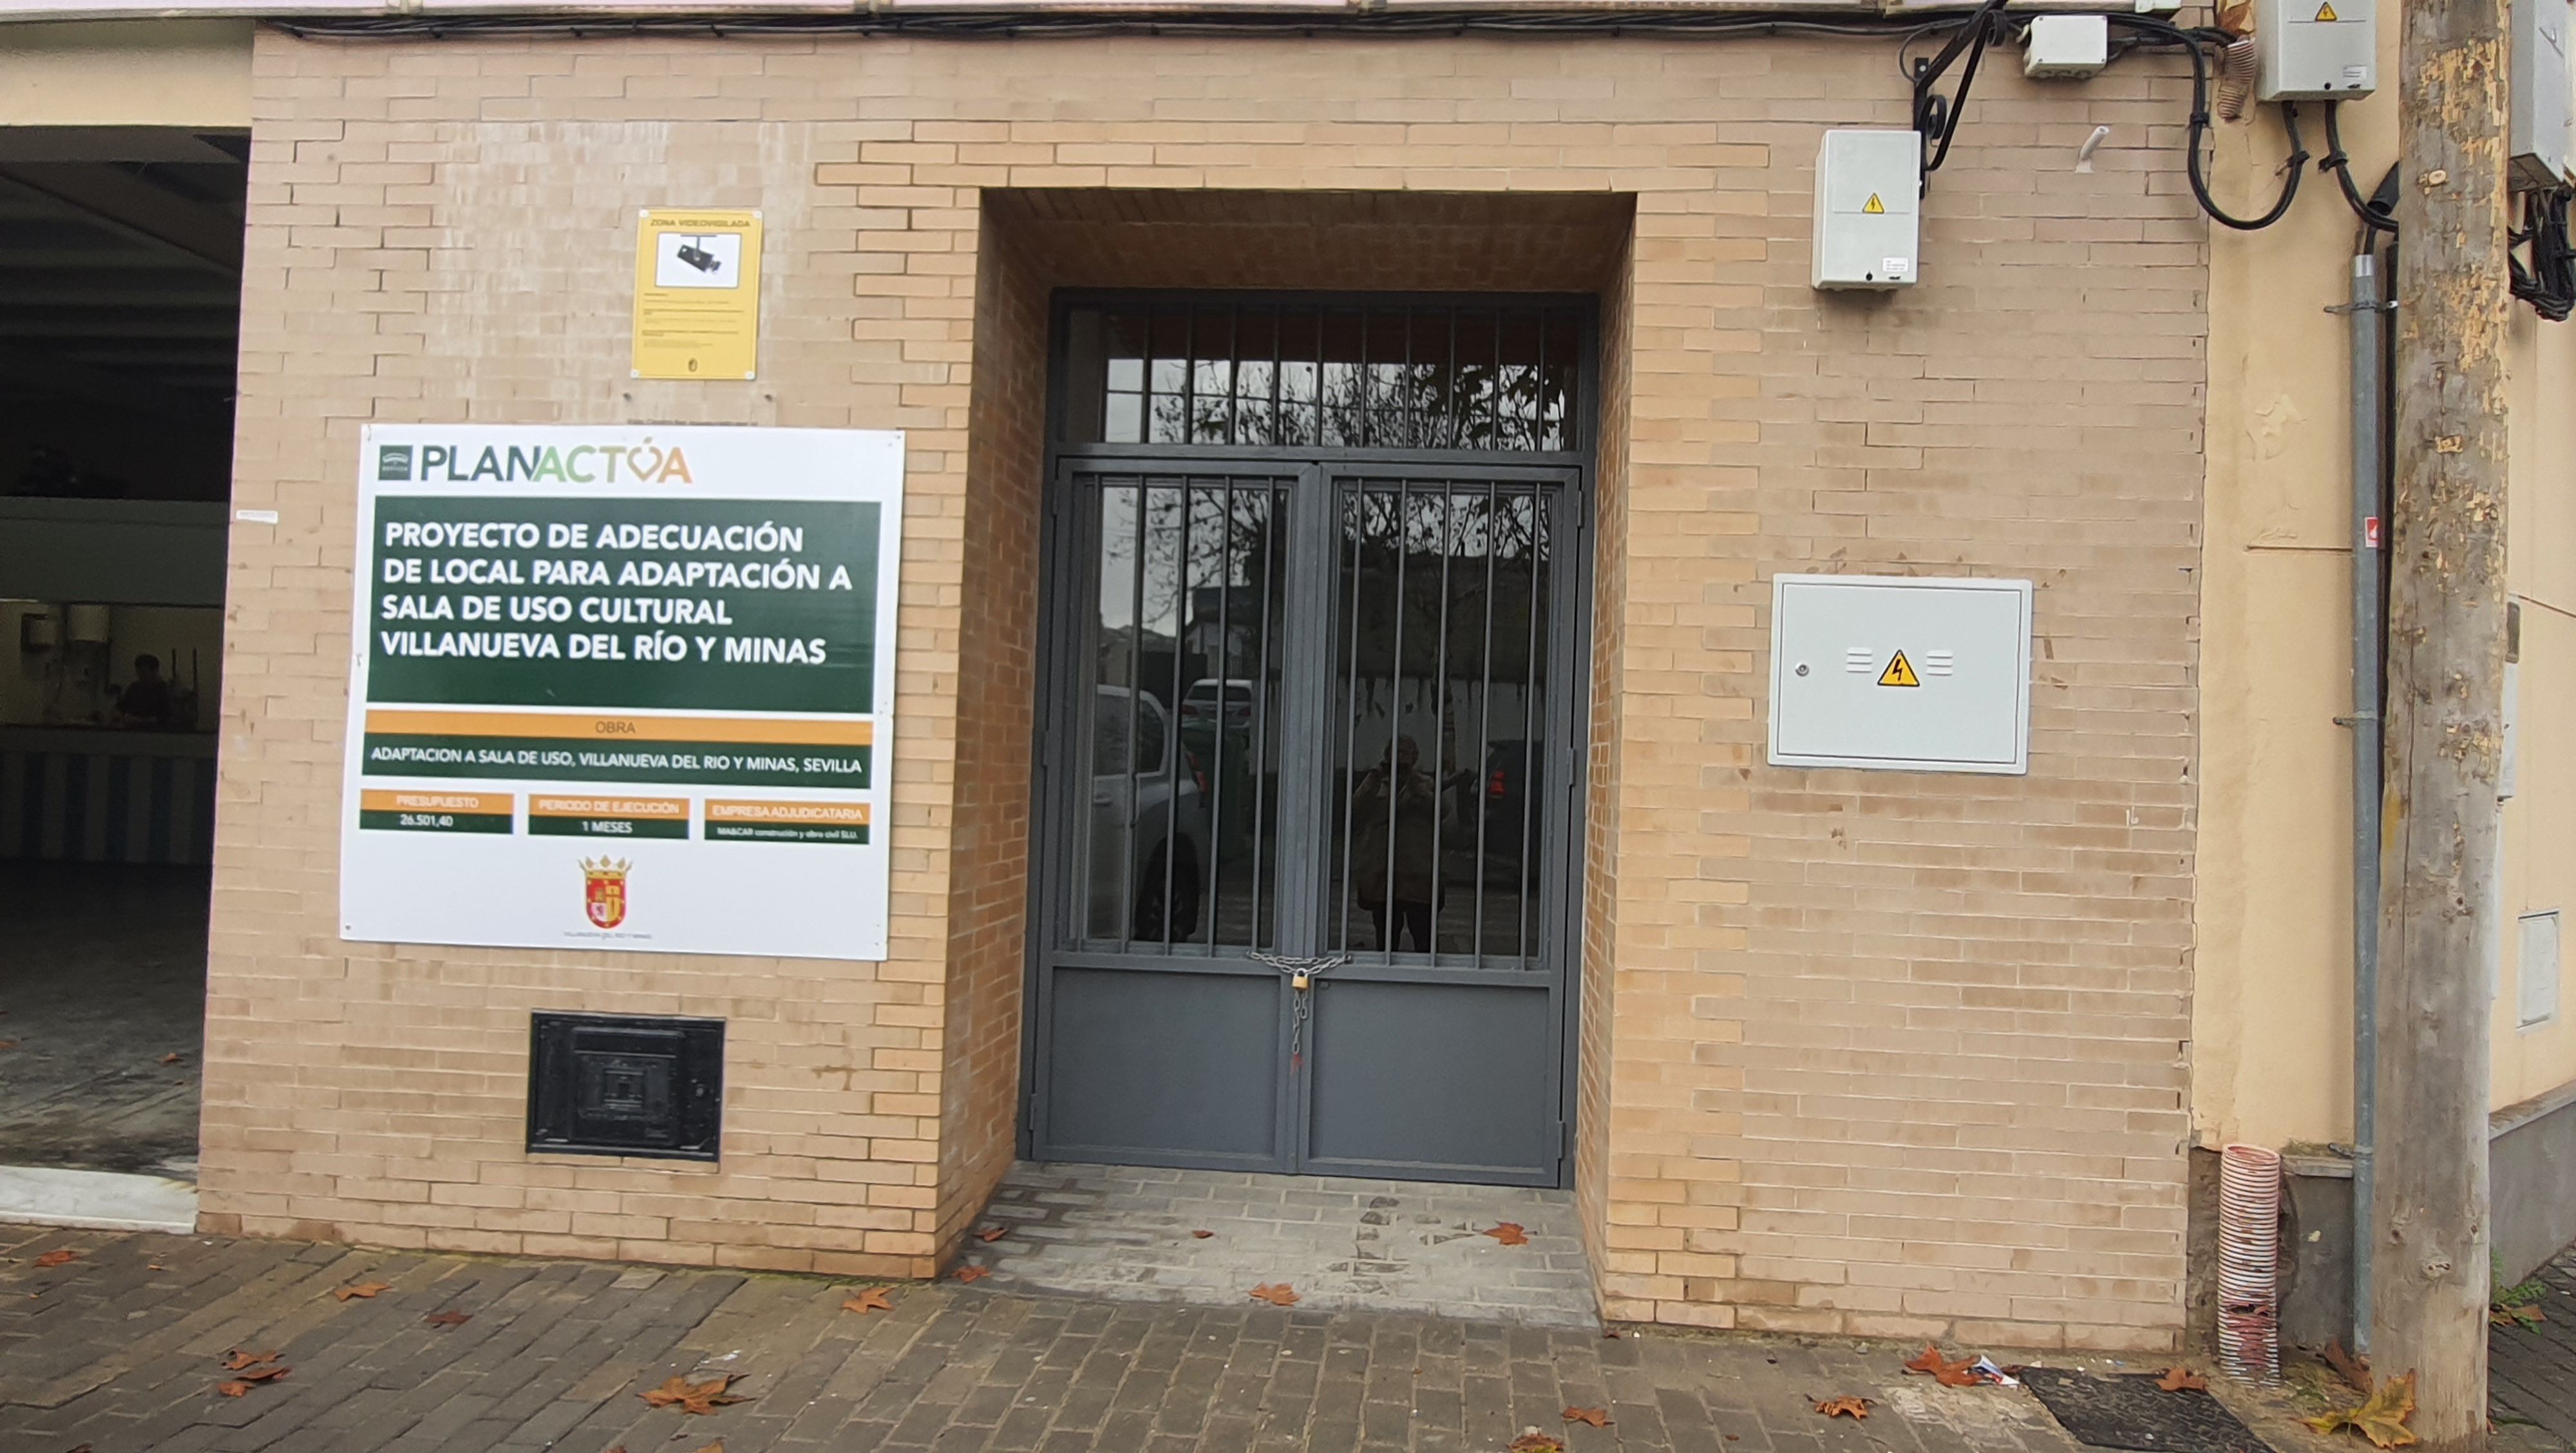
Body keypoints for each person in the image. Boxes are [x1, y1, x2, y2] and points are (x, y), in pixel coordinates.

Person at [1349, 735, 1441, 953]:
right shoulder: (1377, 782)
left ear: (1415, 757)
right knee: (1386, 934)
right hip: (1382, 869)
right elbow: (1356, 808)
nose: (1400, 758)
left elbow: (1442, 811)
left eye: (1405, 753)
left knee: (1422, 932)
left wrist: (1418, 790)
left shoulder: (1424, 782)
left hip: (1416, 870)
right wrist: (1374, 778)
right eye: (1395, 752)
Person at [115, 654, 177, 729]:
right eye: (138, 672)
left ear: (155, 671)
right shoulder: (135, 688)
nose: (140, 676)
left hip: (155, 733)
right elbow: (121, 708)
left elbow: (164, 719)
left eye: (143, 672)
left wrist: (140, 721)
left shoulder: (164, 691)